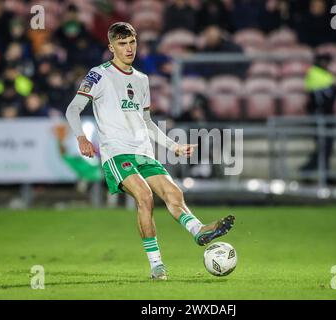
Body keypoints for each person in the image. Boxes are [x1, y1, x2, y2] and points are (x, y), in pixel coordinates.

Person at [65, 22, 235, 281]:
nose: (129, 48)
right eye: (122, 44)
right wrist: (81, 138)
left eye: (132, 42)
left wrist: (173, 146)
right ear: (111, 47)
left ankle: (199, 231)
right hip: (116, 153)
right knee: (144, 197)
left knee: (173, 193)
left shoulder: (142, 80)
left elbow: (146, 122)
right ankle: (157, 266)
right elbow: (73, 109)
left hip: (143, 151)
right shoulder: (98, 75)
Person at [300, 53, 336, 172]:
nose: (326, 63)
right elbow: (322, 96)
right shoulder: (314, 73)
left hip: (327, 114)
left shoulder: (324, 73)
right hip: (319, 115)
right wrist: (333, 90)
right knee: (324, 146)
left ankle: (320, 172)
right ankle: (310, 170)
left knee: (327, 146)